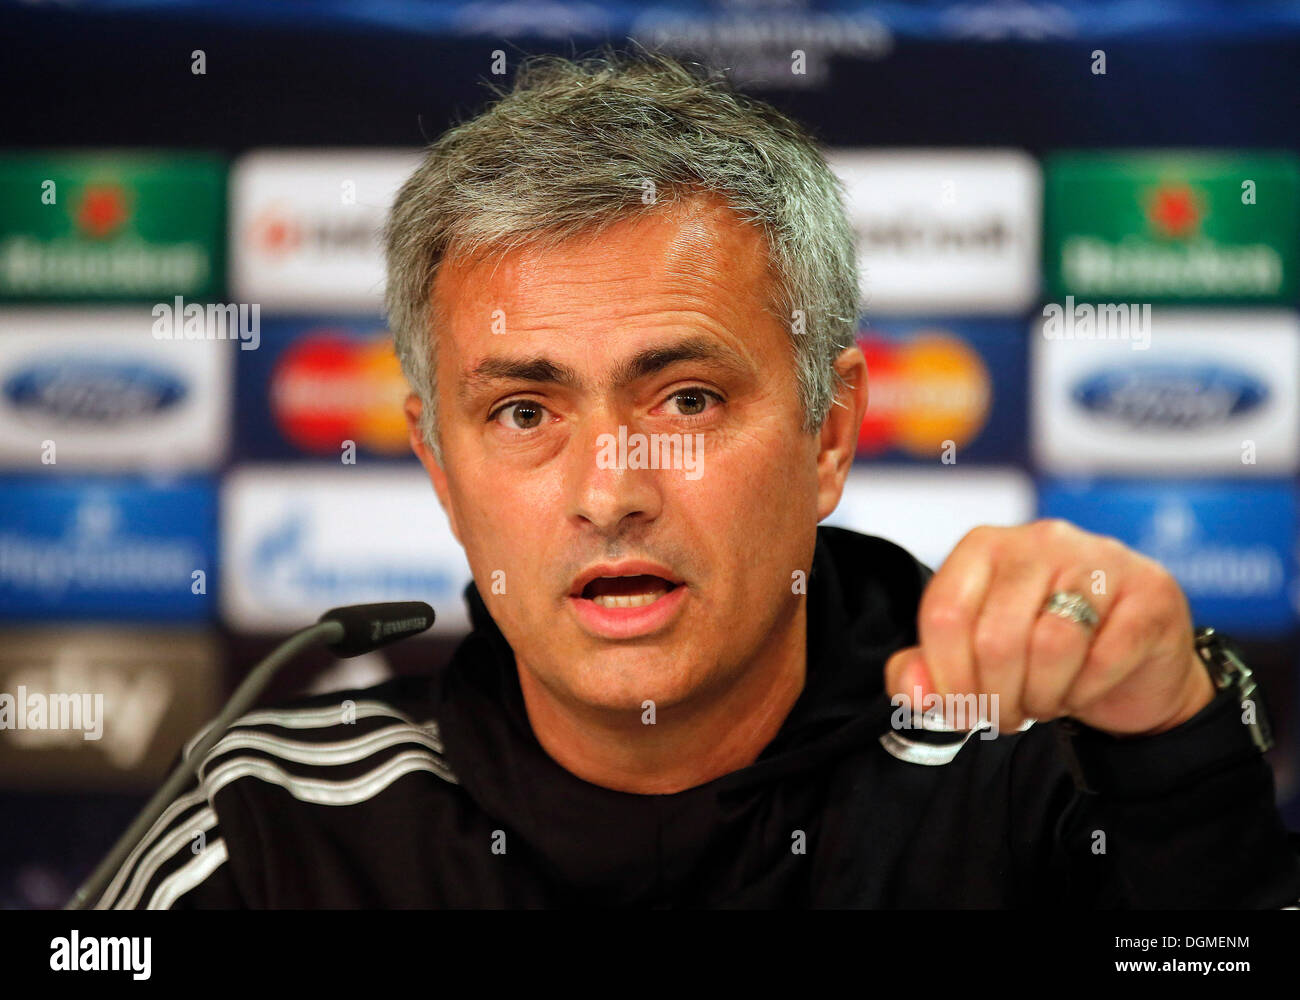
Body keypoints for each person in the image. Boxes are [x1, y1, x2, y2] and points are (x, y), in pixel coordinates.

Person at [97, 50, 1300, 908]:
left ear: (829, 435)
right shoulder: (265, 832)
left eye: (686, 398)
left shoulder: (1038, 774)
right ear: (440, 470)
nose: (611, 488)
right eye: (524, 409)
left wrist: (1171, 754)